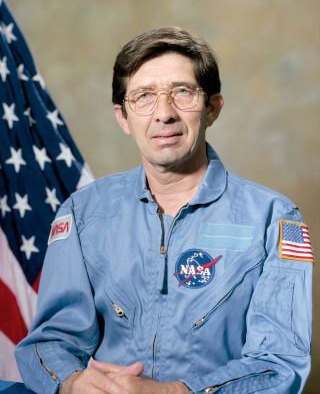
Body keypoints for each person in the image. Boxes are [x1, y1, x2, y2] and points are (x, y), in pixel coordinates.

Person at [15, 27, 314, 394]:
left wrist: (172, 392)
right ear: (123, 117)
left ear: (213, 108)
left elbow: (280, 364)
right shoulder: (82, 213)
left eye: (182, 92)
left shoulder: (275, 219)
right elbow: (51, 341)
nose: (164, 114)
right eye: (143, 97)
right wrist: (73, 382)